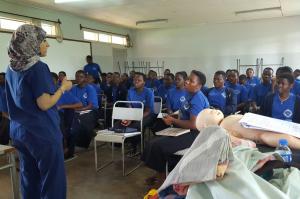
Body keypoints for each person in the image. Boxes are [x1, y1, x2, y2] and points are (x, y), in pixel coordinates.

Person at [5, 24, 72, 199]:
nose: (47, 45)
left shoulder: (11, 69)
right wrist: (63, 88)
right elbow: (44, 103)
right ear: (32, 43)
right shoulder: (38, 68)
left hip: (20, 132)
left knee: (29, 177)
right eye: (44, 41)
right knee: (52, 179)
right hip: (42, 133)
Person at [142, 70, 209, 186]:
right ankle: (162, 174)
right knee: (154, 141)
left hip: (195, 134)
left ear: (199, 86)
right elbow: (184, 113)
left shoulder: (198, 98)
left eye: (191, 81)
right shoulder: (189, 94)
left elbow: (194, 124)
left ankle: (162, 182)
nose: (187, 82)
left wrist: (173, 120)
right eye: (187, 79)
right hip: (184, 129)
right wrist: (172, 117)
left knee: (157, 145)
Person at [121, 72, 155, 154]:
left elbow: (148, 110)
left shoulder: (148, 92)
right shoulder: (130, 91)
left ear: (143, 82)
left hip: (148, 114)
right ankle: (129, 143)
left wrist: (135, 118)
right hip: (134, 113)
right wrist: (130, 118)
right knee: (122, 123)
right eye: (134, 79)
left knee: (137, 125)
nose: (136, 81)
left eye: (139, 80)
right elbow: (129, 106)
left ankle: (137, 147)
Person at [68, 70, 99, 158]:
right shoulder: (73, 88)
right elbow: (70, 101)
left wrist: (78, 110)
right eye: (76, 76)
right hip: (78, 110)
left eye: (81, 77)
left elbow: (91, 105)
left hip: (91, 110)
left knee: (82, 120)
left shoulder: (90, 88)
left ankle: (80, 144)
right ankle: (70, 145)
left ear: (85, 78)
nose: (78, 78)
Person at [0, 72, 9, 145]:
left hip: (8, 114)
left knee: (5, 132)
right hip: (3, 113)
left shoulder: (9, 87)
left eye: (1, 78)